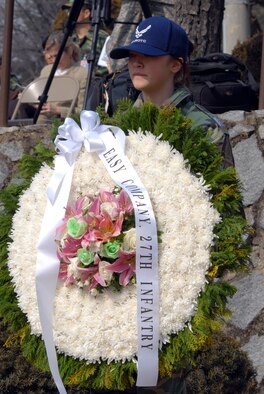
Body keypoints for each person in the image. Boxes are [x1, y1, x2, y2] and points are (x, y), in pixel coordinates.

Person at [110, 15, 224, 145]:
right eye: (132, 55)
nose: (136, 63)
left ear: (175, 65)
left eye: (148, 55)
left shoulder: (203, 128)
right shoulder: (120, 123)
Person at [38, 31, 88, 122]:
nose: (53, 60)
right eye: (50, 56)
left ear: (69, 51)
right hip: (41, 124)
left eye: (57, 56)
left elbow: (85, 112)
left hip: (68, 125)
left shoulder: (82, 74)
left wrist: (59, 110)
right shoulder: (46, 72)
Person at [61, 0, 109, 76]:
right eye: (68, 11)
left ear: (86, 13)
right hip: (70, 83)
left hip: (94, 83)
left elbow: (108, 66)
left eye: (73, 11)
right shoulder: (67, 39)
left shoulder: (101, 37)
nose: (69, 14)